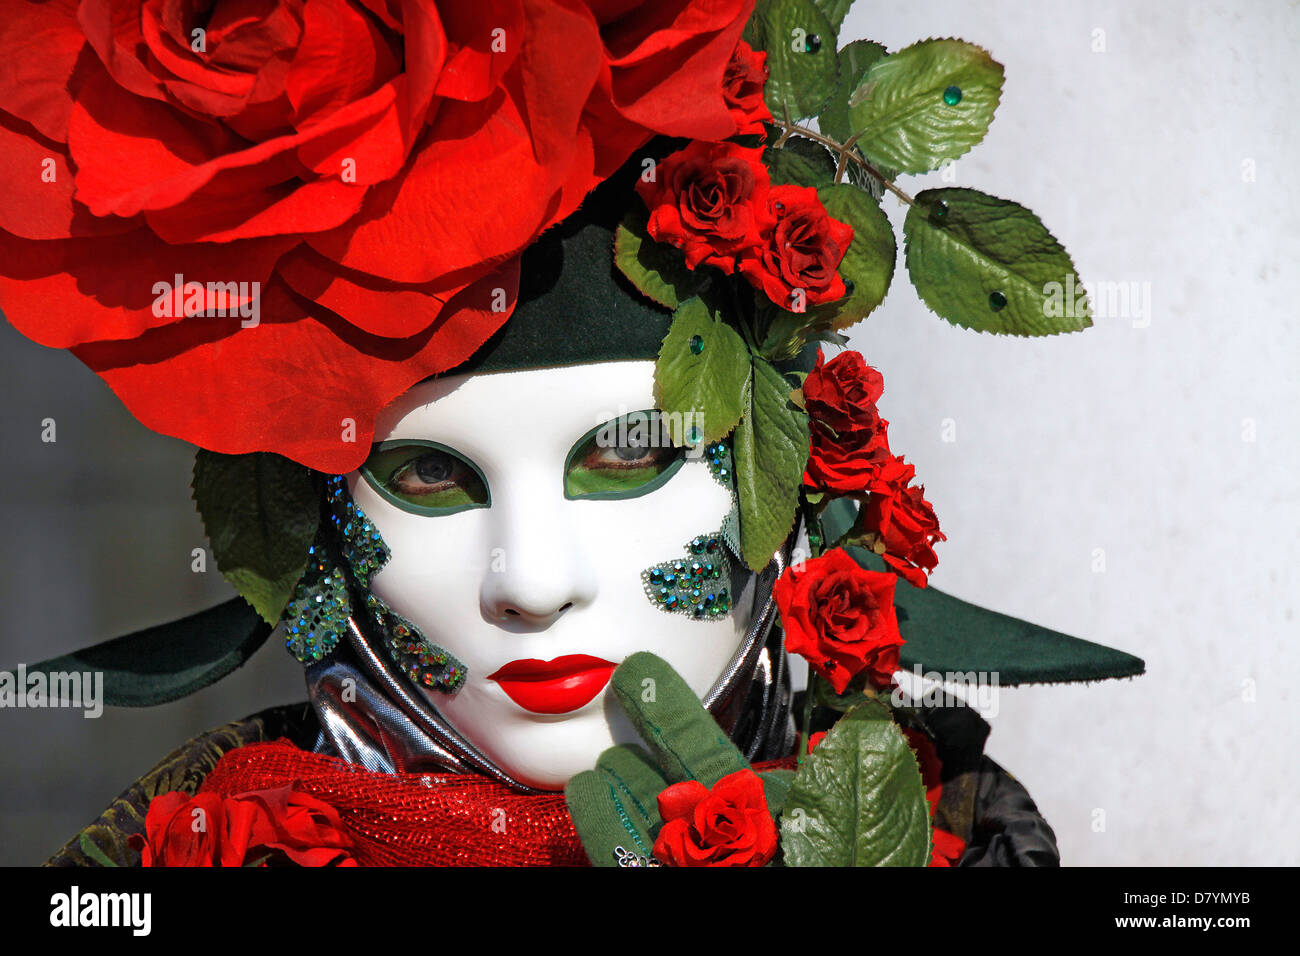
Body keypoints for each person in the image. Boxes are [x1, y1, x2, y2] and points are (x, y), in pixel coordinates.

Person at [3, 0, 1142, 868]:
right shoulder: (189, 851)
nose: (531, 584)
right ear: (316, 530)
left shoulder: (955, 833)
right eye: (431, 477)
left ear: (788, 478)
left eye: (631, 454)